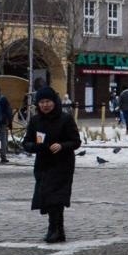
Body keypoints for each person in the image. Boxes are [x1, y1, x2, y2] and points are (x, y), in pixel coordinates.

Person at [23, 86, 81, 243]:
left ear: (54, 102)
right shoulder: (35, 120)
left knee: (56, 197)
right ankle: (58, 230)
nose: (44, 105)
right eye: (41, 102)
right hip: (43, 164)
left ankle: (53, 229)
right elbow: (26, 142)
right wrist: (35, 147)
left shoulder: (65, 118)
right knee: (47, 196)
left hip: (62, 164)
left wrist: (62, 145)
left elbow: (76, 142)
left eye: (47, 101)